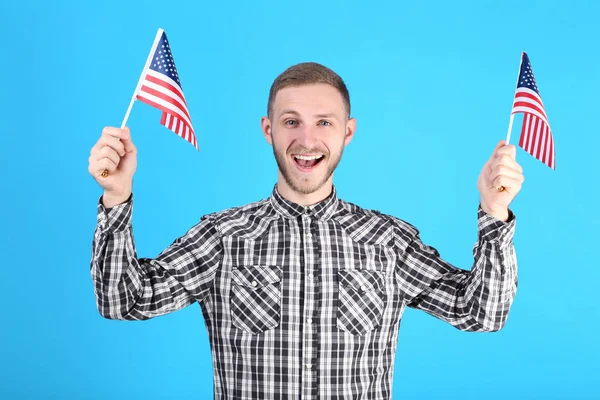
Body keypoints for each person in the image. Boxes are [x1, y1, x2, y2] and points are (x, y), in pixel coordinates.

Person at [88, 62, 523, 399]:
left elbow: (481, 313)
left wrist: (494, 211)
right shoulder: (223, 237)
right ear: (268, 130)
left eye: (324, 122)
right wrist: (116, 197)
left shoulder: (388, 241)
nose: (307, 139)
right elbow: (122, 299)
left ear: (348, 132)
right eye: (291, 121)